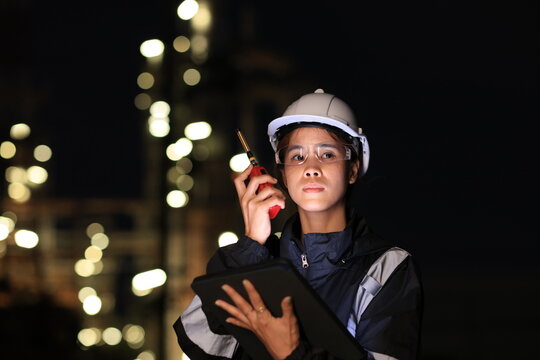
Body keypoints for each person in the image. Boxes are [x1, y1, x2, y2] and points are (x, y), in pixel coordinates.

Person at [174, 89, 423, 359]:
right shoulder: (257, 261)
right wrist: (252, 244)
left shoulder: (386, 268)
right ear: (281, 173)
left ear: (352, 169)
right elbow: (198, 343)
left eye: (327, 155)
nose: (311, 168)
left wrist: (291, 353)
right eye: (297, 156)